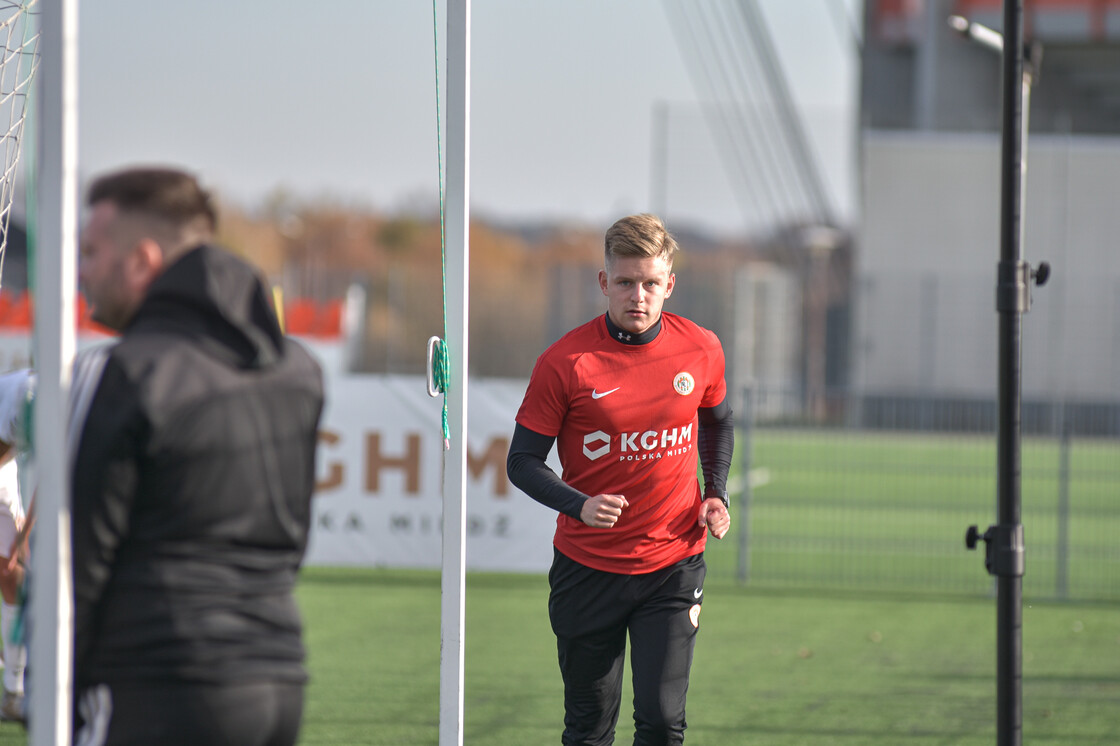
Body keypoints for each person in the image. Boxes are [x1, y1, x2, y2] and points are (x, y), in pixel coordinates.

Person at [70, 166, 324, 745]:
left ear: (142, 261)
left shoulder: (122, 370)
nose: (80, 270)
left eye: (90, 251)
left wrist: (48, 690)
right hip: (278, 679)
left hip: (153, 681)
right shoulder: (299, 370)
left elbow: (80, 557)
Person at [507, 213, 734, 745]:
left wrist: (716, 491)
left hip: (673, 564)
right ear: (604, 282)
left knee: (661, 721)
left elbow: (718, 421)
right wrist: (578, 504)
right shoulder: (565, 363)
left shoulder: (701, 348)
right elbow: (521, 461)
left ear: (669, 285)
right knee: (589, 729)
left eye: (651, 283)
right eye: (627, 282)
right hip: (588, 570)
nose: (639, 296)